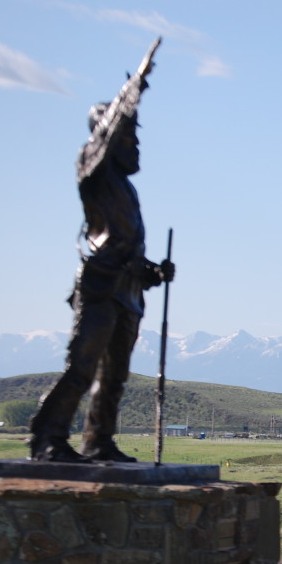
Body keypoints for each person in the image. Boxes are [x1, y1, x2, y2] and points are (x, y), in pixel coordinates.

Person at [28, 38, 173, 463]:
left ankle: (98, 440)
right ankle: (48, 437)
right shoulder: (93, 170)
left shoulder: (126, 192)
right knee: (83, 365)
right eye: (130, 136)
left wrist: (153, 272)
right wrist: (133, 92)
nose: (136, 144)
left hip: (127, 288)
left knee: (115, 377)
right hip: (101, 284)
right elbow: (108, 133)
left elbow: (126, 246)